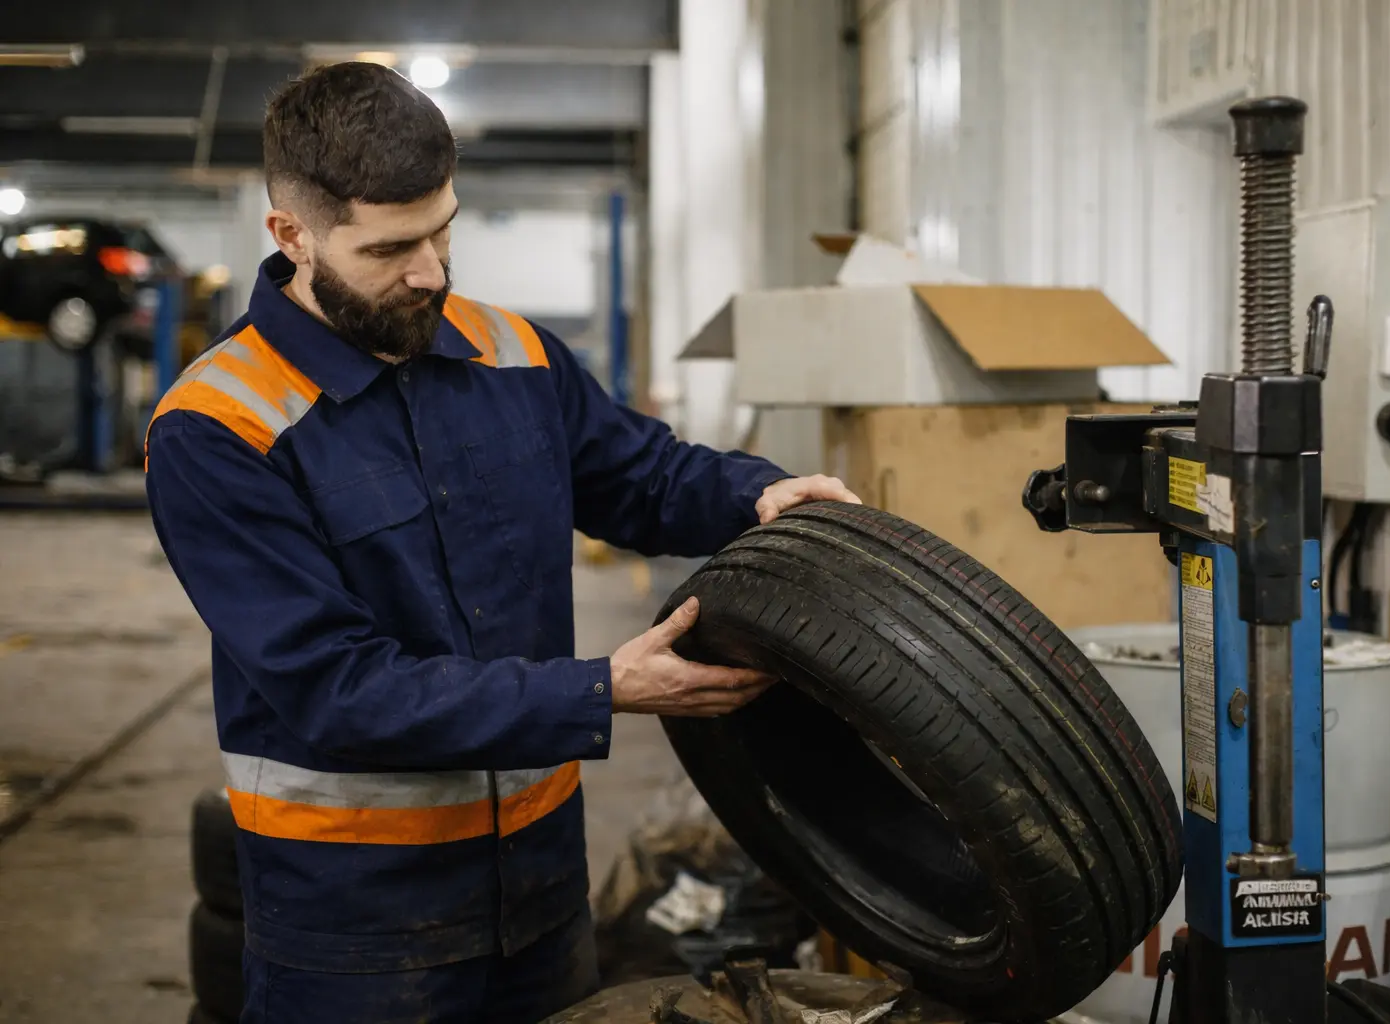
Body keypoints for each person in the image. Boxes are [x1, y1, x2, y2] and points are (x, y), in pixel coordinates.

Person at [144, 61, 861, 1024]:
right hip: (356, 924)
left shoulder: (512, 353)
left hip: (542, 891)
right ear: (291, 236)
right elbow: (337, 690)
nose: (433, 272)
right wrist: (604, 689)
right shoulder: (217, 429)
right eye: (394, 247)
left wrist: (761, 492)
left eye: (444, 230)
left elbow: (640, 478)